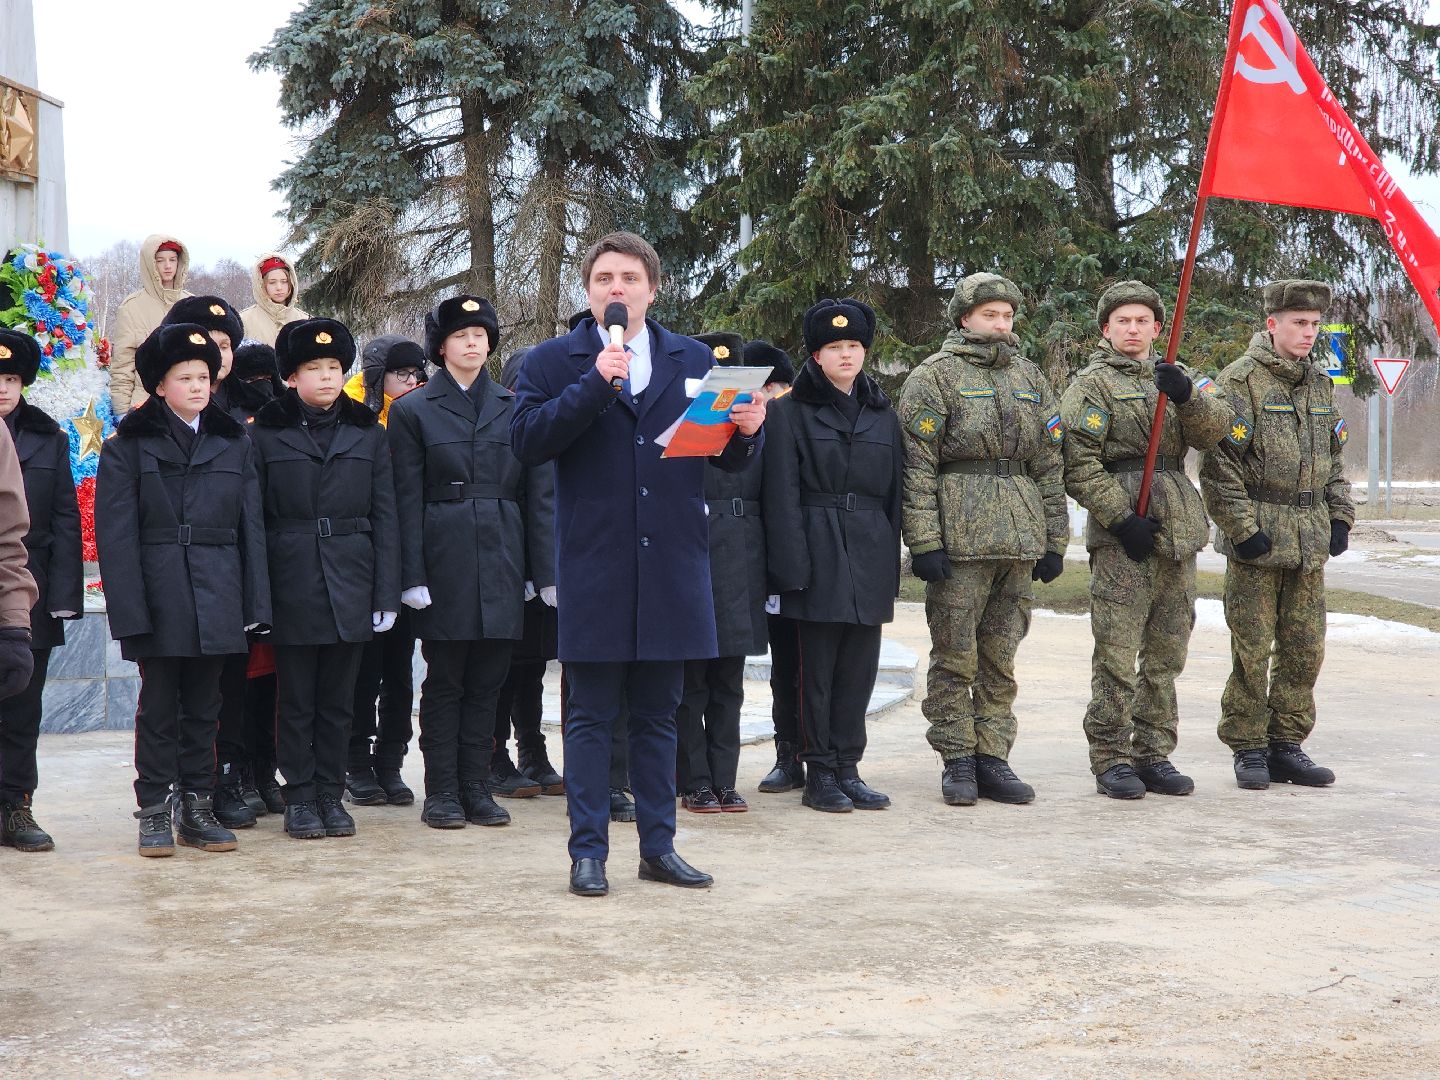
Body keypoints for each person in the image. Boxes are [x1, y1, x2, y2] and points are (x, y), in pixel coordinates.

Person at [512, 231, 764, 897]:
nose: (615, 290)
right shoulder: (552, 361)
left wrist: (747, 431)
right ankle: (587, 854)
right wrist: (594, 385)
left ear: (653, 288)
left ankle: (660, 847)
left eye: (628, 278)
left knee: (660, 715)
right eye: (603, 280)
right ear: (588, 291)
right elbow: (529, 442)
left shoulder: (692, 358)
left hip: (674, 566)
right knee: (590, 717)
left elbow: (721, 460)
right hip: (594, 566)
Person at [95, 323, 270, 857]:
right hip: (160, 587)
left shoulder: (232, 440)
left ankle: (197, 803)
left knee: (206, 704)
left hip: (218, 587)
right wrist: (130, 609)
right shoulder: (129, 444)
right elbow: (116, 535)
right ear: (159, 385)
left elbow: (250, 528)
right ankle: (153, 808)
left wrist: (255, 603)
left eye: (204, 376)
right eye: (184, 377)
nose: (198, 386)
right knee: (159, 707)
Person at [1061, 281, 1237, 799]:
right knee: (1116, 654)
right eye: (1123, 322)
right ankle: (1111, 756)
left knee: (1166, 653)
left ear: (1158, 328)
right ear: (1106, 330)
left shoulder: (1181, 377)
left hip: (1177, 531)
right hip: (1125, 534)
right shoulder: (1090, 385)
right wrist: (1119, 519)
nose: (1133, 329)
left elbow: (1215, 430)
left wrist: (1185, 399)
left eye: (1142, 321)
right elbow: (1078, 462)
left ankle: (1154, 751)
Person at [896, 274, 1066, 808]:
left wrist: (1055, 539)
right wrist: (924, 542)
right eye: (990, 314)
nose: (1000, 324)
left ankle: (993, 755)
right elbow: (916, 467)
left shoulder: (1030, 377)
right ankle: (957, 758)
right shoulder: (934, 378)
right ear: (964, 318)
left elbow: (1049, 461)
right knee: (955, 656)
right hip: (959, 539)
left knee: (1001, 656)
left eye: (1007, 315)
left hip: (1018, 537)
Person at [390, 296, 554, 830]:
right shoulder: (414, 410)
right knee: (446, 679)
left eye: (480, 334)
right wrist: (409, 575)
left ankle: (476, 784)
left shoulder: (513, 404)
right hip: (445, 555)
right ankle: (441, 790)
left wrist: (540, 569)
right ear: (441, 346)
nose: (473, 343)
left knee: (489, 680)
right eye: (461, 335)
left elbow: (537, 492)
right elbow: (404, 498)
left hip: (503, 552)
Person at [1200, 280, 1354, 790]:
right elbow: (1220, 467)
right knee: (1252, 646)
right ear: (1272, 324)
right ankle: (1248, 746)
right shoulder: (1239, 381)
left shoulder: (1318, 384)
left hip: (1308, 539)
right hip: (1260, 538)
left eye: (1314, 324)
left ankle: (1287, 743)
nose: (1308, 333)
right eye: (1298, 324)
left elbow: (1333, 461)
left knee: (1305, 646)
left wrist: (1340, 517)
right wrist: (1243, 531)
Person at [252, 318, 400, 839]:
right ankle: (298, 796)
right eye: (313, 368)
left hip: (351, 579)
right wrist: (260, 598)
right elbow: (254, 519)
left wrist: (386, 592)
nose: (326, 378)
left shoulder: (367, 430)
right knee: (296, 699)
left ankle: (331, 795)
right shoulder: (265, 432)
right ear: (291, 377)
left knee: (341, 700)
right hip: (292, 578)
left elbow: (386, 514)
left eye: (334, 367)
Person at [763, 298, 901, 814]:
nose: (846, 355)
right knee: (813, 671)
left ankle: (848, 765)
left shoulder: (884, 415)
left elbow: (893, 497)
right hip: (815, 549)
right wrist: (789, 569)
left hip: (868, 549)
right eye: (834, 347)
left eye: (854, 346)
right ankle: (817, 768)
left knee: (858, 669)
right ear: (816, 355)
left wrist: (890, 565)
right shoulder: (788, 413)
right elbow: (781, 495)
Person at [160, 296, 263, 829]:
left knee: (228, 688)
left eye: (225, 346)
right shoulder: (155, 422)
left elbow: (251, 512)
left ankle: (222, 780)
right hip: (175, 581)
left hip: (225, 579)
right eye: (206, 344)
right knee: (168, 697)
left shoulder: (246, 408)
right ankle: (168, 791)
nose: (216, 357)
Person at [672, 332, 769, 814]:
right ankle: (693, 779)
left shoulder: (752, 425)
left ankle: (725, 780)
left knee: (729, 680)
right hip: (690, 552)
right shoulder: (677, 419)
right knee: (691, 682)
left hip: (739, 561)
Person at [0, 329, 79, 852]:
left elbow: (65, 520)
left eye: (11, 378)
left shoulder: (48, 436)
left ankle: (14, 804)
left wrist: (64, 597)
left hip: (29, 589)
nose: (3, 388)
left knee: (23, 708)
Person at [343, 334, 429, 807]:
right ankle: (355, 760)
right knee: (364, 670)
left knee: (400, 668)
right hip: (362, 557)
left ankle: (391, 759)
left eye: (418, 374)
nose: (412, 382)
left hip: (406, 555)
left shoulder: (418, 413)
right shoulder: (353, 413)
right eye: (402, 374)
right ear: (378, 374)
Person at [489, 347, 562, 799]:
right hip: (508, 562)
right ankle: (493, 754)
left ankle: (531, 748)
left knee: (533, 664)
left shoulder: (553, 426)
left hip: (548, 565)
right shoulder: (504, 427)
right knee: (502, 667)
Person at [742, 339, 804, 795]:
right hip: (742, 555)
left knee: (793, 662)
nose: (769, 395)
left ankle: (793, 754)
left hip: (787, 556)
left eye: (777, 386)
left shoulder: (796, 421)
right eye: (761, 387)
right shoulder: (736, 425)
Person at [109, 235, 193, 414]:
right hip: (144, 405)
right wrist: (122, 413)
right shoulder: (131, 307)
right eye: (160, 260)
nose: (168, 266)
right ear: (150, 264)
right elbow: (122, 365)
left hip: (187, 405)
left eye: (172, 259)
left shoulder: (191, 304)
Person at [240, 253, 309, 347]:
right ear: (262, 285)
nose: (279, 287)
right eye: (272, 282)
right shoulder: (244, 320)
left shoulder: (305, 320)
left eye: (284, 282)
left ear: (291, 283)